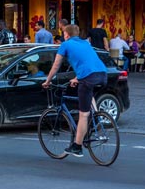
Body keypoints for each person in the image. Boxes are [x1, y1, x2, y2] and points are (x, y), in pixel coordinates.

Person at [43, 24, 107, 158]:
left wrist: (48, 81)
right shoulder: (85, 43)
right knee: (89, 95)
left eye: (64, 33)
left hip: (88, 77)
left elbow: (56, 66)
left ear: (66, 34)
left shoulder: (65, 45)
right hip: (102, 74)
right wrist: (77, 78)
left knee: (83, 115)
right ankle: (96, 118)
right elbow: (88, 62)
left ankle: (77, 147)